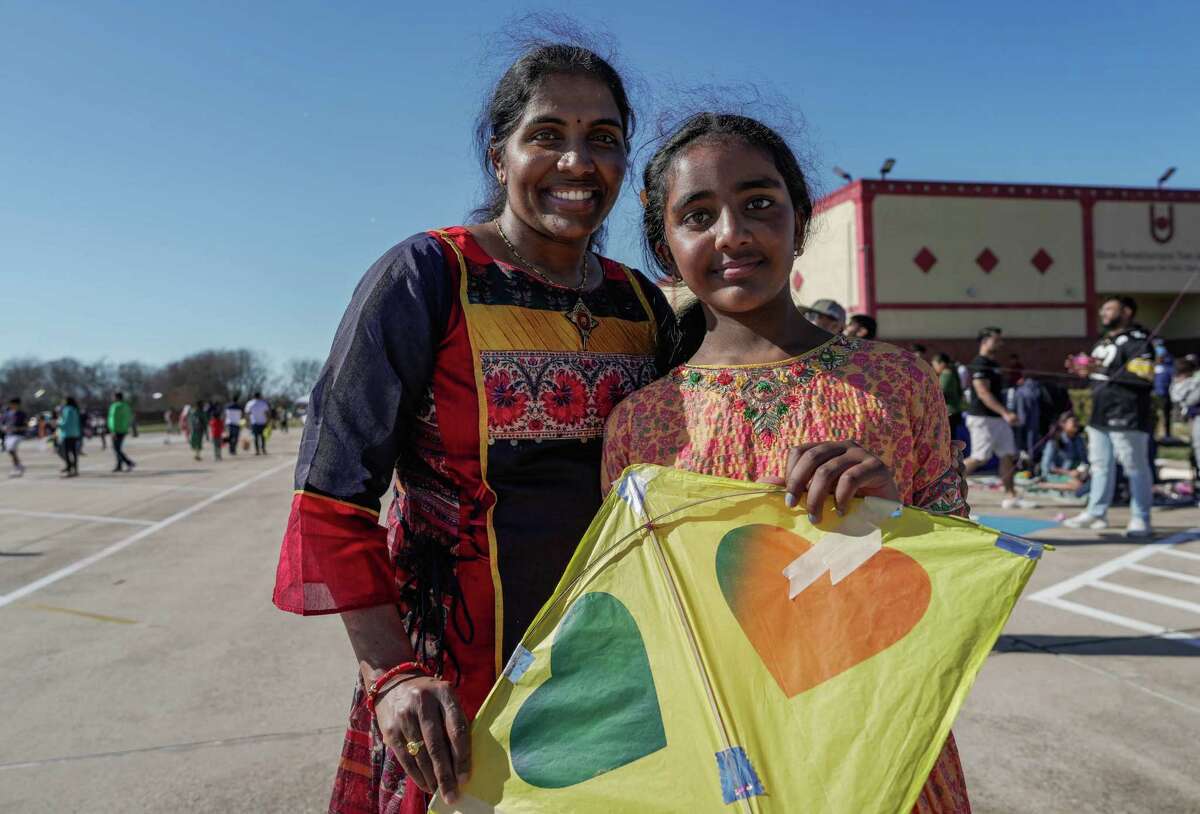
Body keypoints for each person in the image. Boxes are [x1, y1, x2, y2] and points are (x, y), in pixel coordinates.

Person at [270, 42, 692, 813]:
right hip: (455, 691)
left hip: (613, 680)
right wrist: (391, 674)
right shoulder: (426, 277)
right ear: (500, 157)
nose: (577, 160)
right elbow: (334, 498)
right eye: (547, 135)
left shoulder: (644, 305)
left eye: (603, 138)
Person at [602, 112, 972, 813]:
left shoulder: (896, 383)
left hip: (879, 742)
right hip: (722, 756)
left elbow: (962, 582)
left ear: (800, 222)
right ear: (663, 247)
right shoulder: (640, 424)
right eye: (698, 215)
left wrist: (895, 518)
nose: (733, 234)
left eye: (759, 204)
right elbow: (636, 623)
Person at [1063, 296, 1155, 537]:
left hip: (1127, 413)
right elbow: (1100, 374)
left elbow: (1144, 377)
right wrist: (1084, 369)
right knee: (1100, 465)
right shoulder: (1104, 341)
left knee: (1135, 467)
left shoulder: (1138, 341)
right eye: (1102, 309)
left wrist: (1100, 369)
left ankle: (1140, 518)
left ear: (1126, 312)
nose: (1103, 313)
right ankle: (1096, 512)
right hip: (1100, 413)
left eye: (1109, 309)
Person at [962, 328, 1031, 508]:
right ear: (984, 341)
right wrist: (1006, 413)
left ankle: (1011, 496)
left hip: (997, 418)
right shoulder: (979, 363)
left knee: (1008, 455)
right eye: (996, 340)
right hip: (982, 418)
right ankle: (940, 486)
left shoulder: (994, 364)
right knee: (980, 457)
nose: (1000, 343)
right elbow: (983, 393)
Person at [1038, 412, 1089, 495]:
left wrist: (1082, 471)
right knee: (1078, 486)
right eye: (1073, 421)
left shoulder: (1080, 440)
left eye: (1077, 421)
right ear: (1063, 424)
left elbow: (1085, 461)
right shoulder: (1054, 441)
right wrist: (1068, 473)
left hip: (1076, 474)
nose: (1076, 424)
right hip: (1057, 475)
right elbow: (1047, 466)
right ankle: (1045, 485)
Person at [931, 352, 965, 440]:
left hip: (949, 412)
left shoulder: (946, 375)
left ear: (942, 364)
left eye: (934, 365)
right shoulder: (951, 373)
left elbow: (940, 394)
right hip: (953, 411)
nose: (934, 368)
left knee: (948, 439)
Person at [107, 391, 135, 472]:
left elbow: (113, 419)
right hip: (123, 430)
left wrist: (113, 430)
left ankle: (129, 462)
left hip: (116, 430)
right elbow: (129, 418)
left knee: (116, 449)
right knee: (118, 448)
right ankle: (119, 465)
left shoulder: (115, 406)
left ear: (116, 397)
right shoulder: (126, 406)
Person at [1153, 338, 1174, 437]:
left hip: (1165, 394)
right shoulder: (1152, 366)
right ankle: (1155, 433)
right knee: (1155, 416)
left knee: (1166, 415)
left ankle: (1167, 434)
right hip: (1154, 394)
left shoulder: (1169, 367)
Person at [57, 396, 82, 477]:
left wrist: (58, 424)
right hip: (75, 433)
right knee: (74, 452)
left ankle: (69, 468)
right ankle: (74, 468)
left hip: (67, 433)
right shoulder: (75, 409)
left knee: (66, 452)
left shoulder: (67, 410)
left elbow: (65, 422)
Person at [4, 397, 27, 477]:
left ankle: (17, 467)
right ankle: (18, 466)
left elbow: (25, 426)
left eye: (14, 404)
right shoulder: (8, 413)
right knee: (10, 451)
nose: (12, 406)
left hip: (18, 435)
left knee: (11, 449)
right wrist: (5, 427)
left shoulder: (22, 414)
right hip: (9, 434)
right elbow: (4, 423)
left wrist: (18, 428)